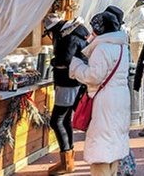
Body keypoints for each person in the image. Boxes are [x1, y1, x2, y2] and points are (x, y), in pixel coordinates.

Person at [69, 9, 130, 176]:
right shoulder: (122, 46)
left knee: (101, 149)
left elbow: (93, 77)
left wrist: (76, 67)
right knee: (114, 145)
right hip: (121, 99)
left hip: (105, 101)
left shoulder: (102, 48)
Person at [44, 14, 91, 175]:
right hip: (73, 83)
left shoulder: (68, 38)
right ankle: (67, 160)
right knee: (65, 121)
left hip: (67, 84)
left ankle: (67, 162)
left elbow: (65, 59)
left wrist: (53, 62)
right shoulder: (74, 33)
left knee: (56, 121)